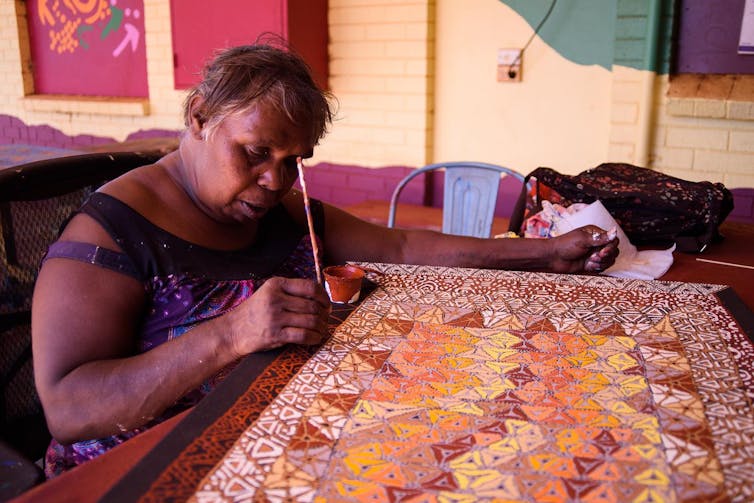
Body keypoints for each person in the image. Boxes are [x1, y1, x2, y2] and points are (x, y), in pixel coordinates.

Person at [31, 43, 618, 477]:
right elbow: (68, 407)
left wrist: (544, 253)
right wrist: (230, 335)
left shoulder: (283, 211)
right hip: (143, 471)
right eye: (257, 153)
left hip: (267, 441)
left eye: (294, 160)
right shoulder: (109, 235)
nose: (274, 180)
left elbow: (403, 247)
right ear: (200, 117)